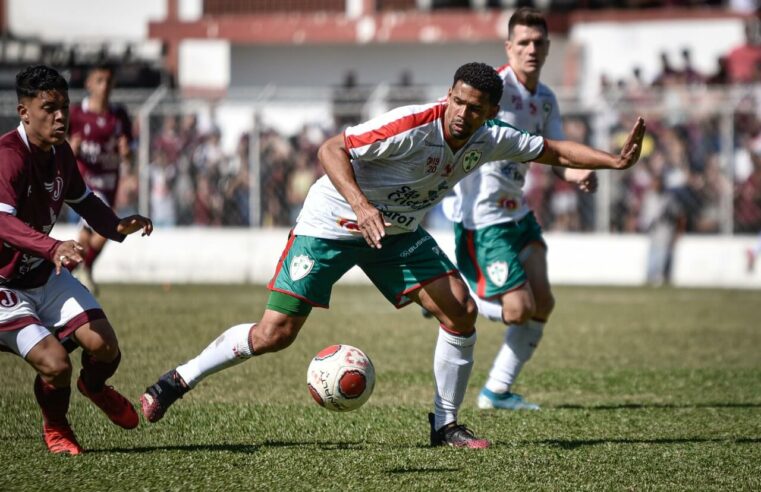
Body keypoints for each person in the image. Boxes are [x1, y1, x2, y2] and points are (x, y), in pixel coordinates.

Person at [140, 62, 645, 448]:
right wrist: (360, 205)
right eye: (458, 102)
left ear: (492, 112)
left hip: (396, 232)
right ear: (449, 95)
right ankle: (175, 381)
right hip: (333, 223)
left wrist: (615, 160)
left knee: (461, 311)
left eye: (475, 108)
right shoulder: (410, 124)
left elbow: (551, 151)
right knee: (274, 334)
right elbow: (331, 150)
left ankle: (445, 424)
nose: (463, 114)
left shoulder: (490, 139)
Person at [435, 8, 600, 410]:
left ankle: (497, 391)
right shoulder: (491, 91)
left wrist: (575, 175)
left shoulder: (545, 99)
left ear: (547, 48)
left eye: (538, 43)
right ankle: (450, 303)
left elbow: (557, 152)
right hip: (483, 219)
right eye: (523, 42)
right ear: (509, 47)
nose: (531, 49)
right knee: (518, 308)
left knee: (542, 302)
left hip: (518, 213)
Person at [0, 65, 153, 455]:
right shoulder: (9, 156)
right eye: (49, 107)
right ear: (24, 111)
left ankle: (95, 386)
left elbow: (84, 201)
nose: (60, 116)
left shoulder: (61, 153)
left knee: (105, 347)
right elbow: (1, 222)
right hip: (4, 284)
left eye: (64, 107)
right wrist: (52, 247)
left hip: (41, 274)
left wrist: (117, 226)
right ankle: (57, 427)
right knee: (56, 365)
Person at [67, 63, 134, 295]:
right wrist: (70, 149)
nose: (104, 86)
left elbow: (129, 152)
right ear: (89, 83)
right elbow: (59, 146)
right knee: (108, 227)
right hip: (86, 183)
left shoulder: (119, 115)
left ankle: (76, 273)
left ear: (113, 84)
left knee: (87, 235)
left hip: (110, 183)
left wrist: (126, 153)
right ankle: (79, 269)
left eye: (108, 81)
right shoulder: (76, 114)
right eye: (99, 80)